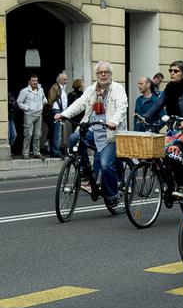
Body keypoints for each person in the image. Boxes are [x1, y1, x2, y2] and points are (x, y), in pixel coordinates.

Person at [54, 63, 129, 203]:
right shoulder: (91, 89)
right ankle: (84, 168)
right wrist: (63, 114)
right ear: (96, 75)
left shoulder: (118, 89)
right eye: (100, 72)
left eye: (106, 72)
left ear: (110, 74)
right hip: (92, 128)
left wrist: (114, 122)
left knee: (106, 165)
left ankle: (113, 195)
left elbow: (122, 108)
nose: (103, 74)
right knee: (74, 138)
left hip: (110, 132)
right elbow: (79, 103)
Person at [144, 60, 183, 197]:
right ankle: (169, 186)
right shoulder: (169, 88)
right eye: (170, 70)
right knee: (157, 154)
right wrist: (145, 117)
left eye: (176, 71)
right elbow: (158, 104)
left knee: (173, 154)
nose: (172, 73)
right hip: (171, 130)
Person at [17, 75, 46, 159]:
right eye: (33, 80)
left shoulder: (40, 90)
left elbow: (44, 98)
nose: (35, 82)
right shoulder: (24, 91)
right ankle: (25, 153)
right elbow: (19, 102)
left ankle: (36, 153)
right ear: (29, 82)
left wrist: (44, 101)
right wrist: (27, 108)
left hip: (39, 115)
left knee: (37, 135)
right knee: (28, 134)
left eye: (36, 80)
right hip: (29, 115)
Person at [46, 73, 70, 157]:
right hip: (56, 111)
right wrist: (54, 111)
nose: (66, 81)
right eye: (64, 79)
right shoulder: (56, 87)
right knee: (57, 133)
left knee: (57, 133)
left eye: (66, 79)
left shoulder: (62, 88)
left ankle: (55, 151)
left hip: (60, 111)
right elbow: (51, 100)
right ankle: (56, 152)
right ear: (59, 80)